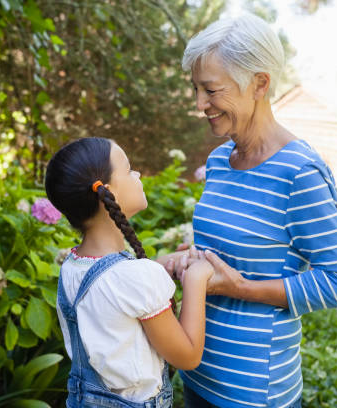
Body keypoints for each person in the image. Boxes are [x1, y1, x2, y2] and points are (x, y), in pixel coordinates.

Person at [162, 14, 337, 408]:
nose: (200, 104)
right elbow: (227, 251)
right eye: (196, 89)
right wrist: (181, 261)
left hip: (254, 392)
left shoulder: (298, 173)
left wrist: (240, 289)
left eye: (211, 90)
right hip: (197, 373)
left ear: (259, 83)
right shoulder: (221, 159)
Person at [45, 137, 214, 408]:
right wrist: (197, 277)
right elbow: (188, 356)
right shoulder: (136, 278)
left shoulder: (72, 266)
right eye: (129, 169)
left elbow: (111, 289)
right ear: (108, 192)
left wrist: (162, 264)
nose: (138, 174)